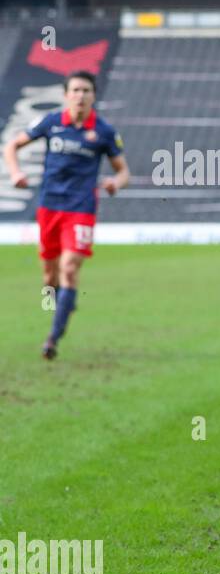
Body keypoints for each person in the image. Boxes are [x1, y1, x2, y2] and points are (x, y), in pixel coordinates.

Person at [3, 70, 129, 359]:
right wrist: (16, 172)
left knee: (69, 267)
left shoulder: (104, 131)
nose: (80, 95)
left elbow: (124, 171)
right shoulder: (51, 123)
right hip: (49, 206)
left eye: (86, 90)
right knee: (49, 277)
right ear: (66, 95)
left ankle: (52, 338)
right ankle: (64, 304)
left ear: (93, 95)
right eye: (75, 90)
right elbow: (12, 146)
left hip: (81, 209)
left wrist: (114, 183)